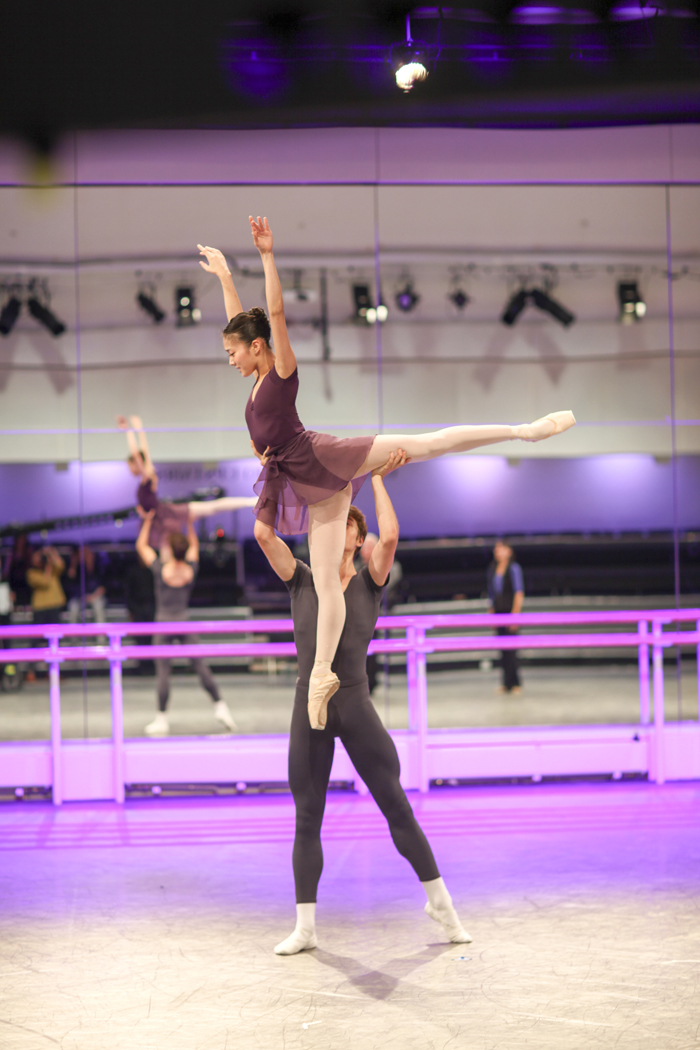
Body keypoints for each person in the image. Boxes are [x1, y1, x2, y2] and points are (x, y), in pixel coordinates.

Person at [198, 219, 575, 728]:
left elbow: (275, 315)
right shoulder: (257, 374)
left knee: (424, 444)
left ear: (258, 348)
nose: (230, 360)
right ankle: (321, 674)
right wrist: (223, 276)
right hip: (309, 483)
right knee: (328, 580)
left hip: (321, 458)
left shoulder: (280, 370)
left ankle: (522, 431)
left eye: (233, 352)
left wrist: (266, 256)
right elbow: (242, 322)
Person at [256, 448, 471, 955]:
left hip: (353, 704)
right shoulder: (302, 580)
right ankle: (305, 928)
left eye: (344, 523)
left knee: (396, 805)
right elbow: (265, 534)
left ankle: (441, 904)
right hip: (310, 705)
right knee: (308, 815)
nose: (331, 528)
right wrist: (272, 476)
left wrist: (376, 479)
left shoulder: (370, 584)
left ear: (355, 536)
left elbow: (391, 536)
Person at [135, 511, 237, 736]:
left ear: (170, 551)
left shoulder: (161, 570)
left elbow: (141, 545)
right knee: (200, 666)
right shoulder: (190, 569)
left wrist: (149, 520)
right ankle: (221, 708)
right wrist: (190, 524)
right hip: (184, 622)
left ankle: (161, 720)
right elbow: (194, 545)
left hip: (163, 624)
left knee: (163, 673)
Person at [117, 414, 257, 550]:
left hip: (166, 515)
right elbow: (143, 455)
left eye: (130, 465)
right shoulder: (146, 479)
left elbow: (140, 453)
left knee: (210, 508)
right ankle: (249, 501)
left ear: (136, 463)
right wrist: (136, 429)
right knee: (210, 508)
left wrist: (131, 430)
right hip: (159, 519)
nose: (129, 469)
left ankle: (250, 501)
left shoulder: (147, 477)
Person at [355, 531, 403, 695]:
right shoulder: (354, 567)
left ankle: (371, 682)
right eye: (362, 549)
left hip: (380, 615)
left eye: (367, 549)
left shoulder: (391, 567)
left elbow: (385, 589)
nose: (364, 552)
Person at [487, 539, 525, 694]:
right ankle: (505, 683)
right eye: (496, 549)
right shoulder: (493, 568)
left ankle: (515, 683)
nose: (497, 552)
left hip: (510, 612)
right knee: (502, 650)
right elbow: (492, 593)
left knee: (512, 650)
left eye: (501, 548)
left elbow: (519, 593)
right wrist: (491, 614)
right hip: (498, 613)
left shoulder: (514, 568)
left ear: (509, 551)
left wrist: (515, 615)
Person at [66, 545, 106, 625]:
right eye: (85, 554)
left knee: (98, 607)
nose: (87, 556)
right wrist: (75, 561)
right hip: (80, 597)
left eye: (89, 554)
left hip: (95, 597)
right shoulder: (79, 569)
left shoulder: (99, 568)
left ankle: (100, 637)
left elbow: (102, 588)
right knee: (73, 608)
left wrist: (92, 597)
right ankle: (73, 637)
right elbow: (71, 577)